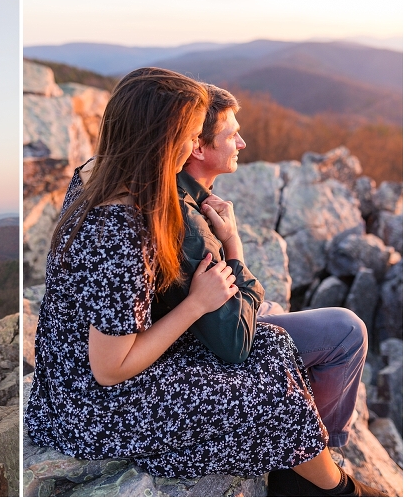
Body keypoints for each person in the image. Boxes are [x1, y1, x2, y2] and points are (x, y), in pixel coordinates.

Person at [24, 68, 385, 497]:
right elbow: (108, 369)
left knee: (274, 348)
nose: (196, 147)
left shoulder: (98, 176)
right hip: (91, 406)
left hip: (71, 378)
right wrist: (196, 304)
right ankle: (337, 489)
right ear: (161, 139)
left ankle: (298, 468)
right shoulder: (120, 228)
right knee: (270, 396)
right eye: (192, 136)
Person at [156, 83, 379, 496]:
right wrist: (235, 248)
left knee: (274, 305)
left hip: (201, 330)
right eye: (231, 135)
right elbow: (234, 342)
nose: (242, 142)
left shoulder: (189, 201)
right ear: (198, 149)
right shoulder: (191, 226)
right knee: (348, 331)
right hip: (199, 349)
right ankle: (311, 465)